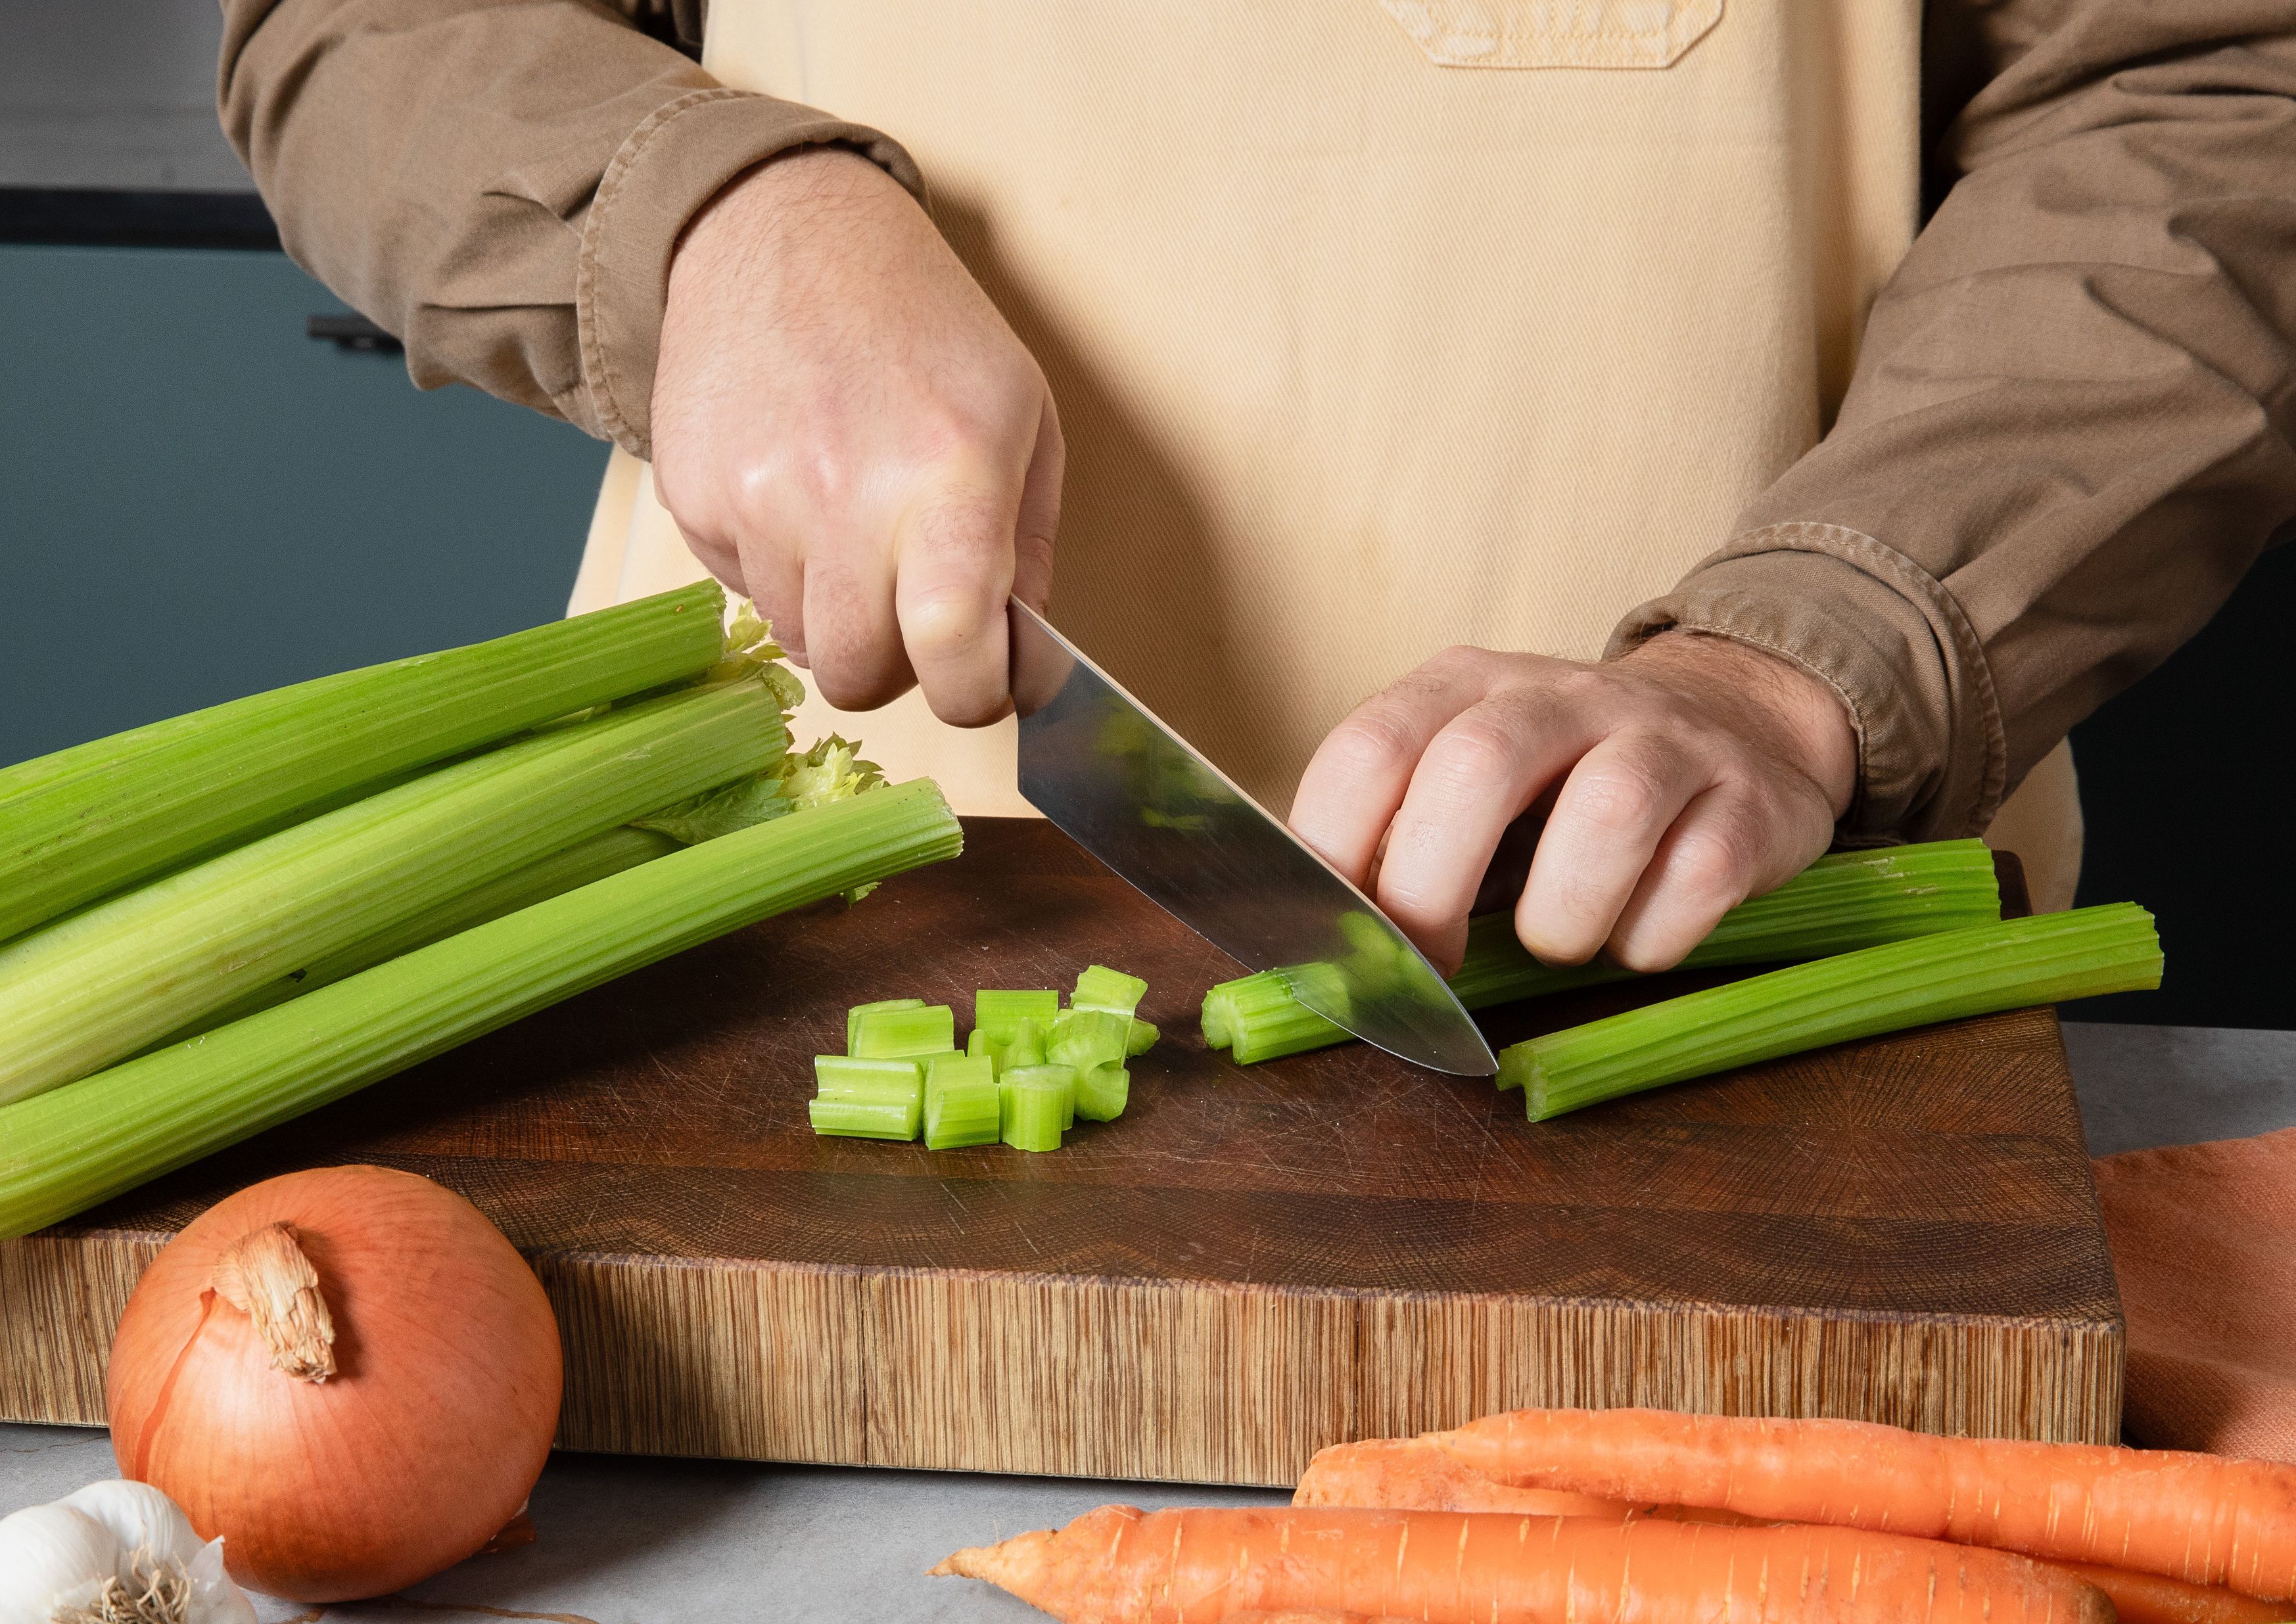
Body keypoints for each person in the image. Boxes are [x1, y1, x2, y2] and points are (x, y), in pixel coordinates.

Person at [219, 0, 2295, 976]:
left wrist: (1805, 671)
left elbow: (2214, 84)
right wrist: (706, 222)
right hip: (795, 925)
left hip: (1746, 927)